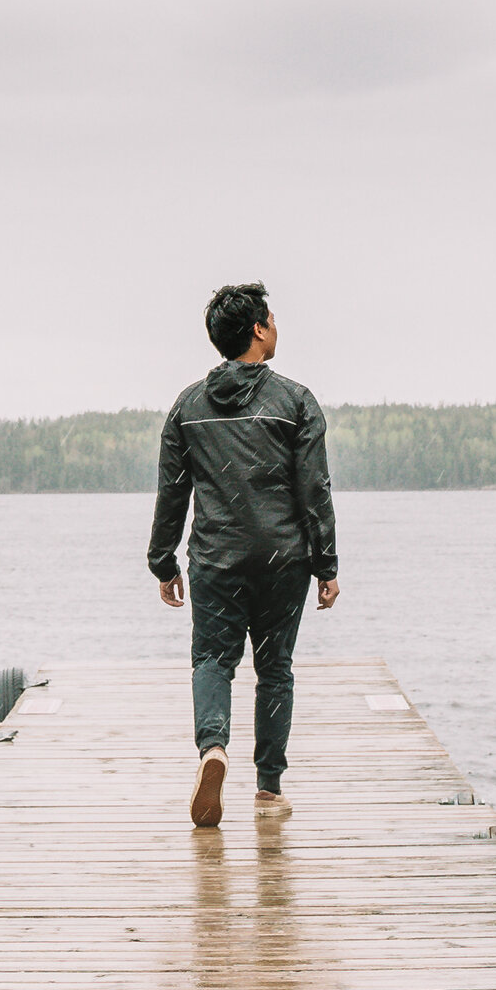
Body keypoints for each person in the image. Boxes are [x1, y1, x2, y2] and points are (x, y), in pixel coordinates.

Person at [147, 281, 340, 826]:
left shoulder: (187, 406)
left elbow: (172, 493)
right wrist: (325, 564)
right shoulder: (296, 401)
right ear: (258, 330)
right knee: (274, 668)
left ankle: (213, 748)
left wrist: (164, 562)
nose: (277, 325)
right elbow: (314, 489)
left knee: (213, 660)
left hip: (216, 556)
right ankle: (269, 789)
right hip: (284, 557)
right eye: (272, 318)